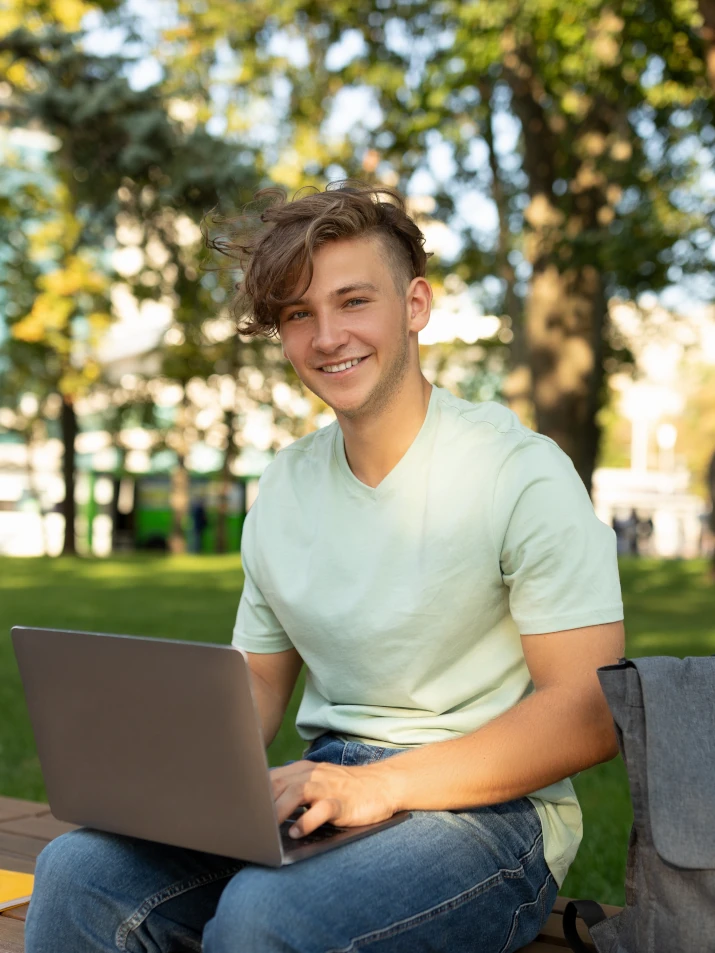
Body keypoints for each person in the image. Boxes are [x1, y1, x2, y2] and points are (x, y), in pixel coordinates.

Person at [26, 183, 625, 953]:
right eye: (298, 314)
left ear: (414, 305)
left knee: (265, 917)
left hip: (489, 813)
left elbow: (587, 709)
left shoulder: (519, 472)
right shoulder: (284, 485)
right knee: (78, 872)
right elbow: (261, 680)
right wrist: (175, 780)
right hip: (327, 783)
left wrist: (379, 784)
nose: (327, 335)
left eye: (352, 301)